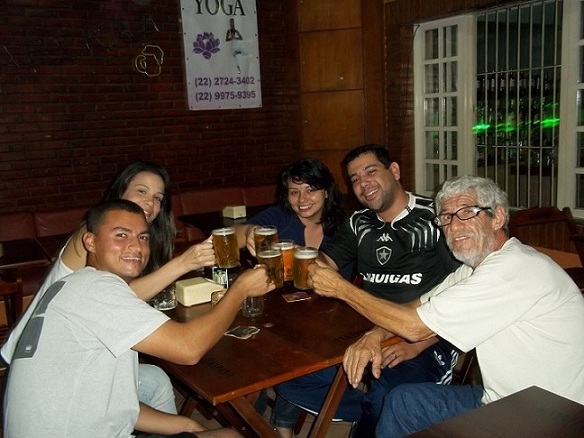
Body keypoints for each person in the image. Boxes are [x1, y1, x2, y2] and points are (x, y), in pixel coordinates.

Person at [307, 175, 584, 437]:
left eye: (467, 212)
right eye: (446, 218)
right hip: (504, 400)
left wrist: (341, 288)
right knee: (402, 400)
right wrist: (374, 335)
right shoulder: (475, 268)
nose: (454, 226)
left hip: (552, 417)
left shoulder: (514, 268)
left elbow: (415, 327)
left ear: (498, 217)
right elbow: (419, 305)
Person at [4, 199, 274, 437]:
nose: (136, 246)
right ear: (90, 242)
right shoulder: (97, 288)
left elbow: (116, 406)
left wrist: (188, 425)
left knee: (187, 412)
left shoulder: (73, 285)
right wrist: (240, 290)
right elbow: (188, 349)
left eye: (143, 237)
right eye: (121, 235)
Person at [272, 145, 460, 437]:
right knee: (289, 375)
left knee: (390, 391)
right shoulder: (359, 222)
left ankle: (383, 411)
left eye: (370, 171)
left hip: (425, 333)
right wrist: (295, 255)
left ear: (394, 171)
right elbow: (325, 263)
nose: (363, 183)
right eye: (355, 178)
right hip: (364, 329)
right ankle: (378, 413)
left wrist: (418, 342)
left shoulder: (436, 219)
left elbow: (463, 291)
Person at [2, 161, 216, 414]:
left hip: (71, 356)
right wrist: (184, 263)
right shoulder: (95, 235)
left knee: (155, 380)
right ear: (119, 191)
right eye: (142, 191)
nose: (150, 202)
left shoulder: (132, 242)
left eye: (158, 198)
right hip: (44, 365)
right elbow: (119, 296)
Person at [234, 157, 352, 433]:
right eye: (294, 191)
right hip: (278, 311)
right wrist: (249, 232)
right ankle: (257, 415)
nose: (302, 199)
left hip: (330, 315)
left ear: (327, 191)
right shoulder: (279, 217)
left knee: (309, 365)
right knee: (247, 349)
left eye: (310, 189)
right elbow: (239, 234)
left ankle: (281, 421)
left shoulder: (346, 225)